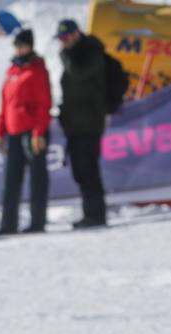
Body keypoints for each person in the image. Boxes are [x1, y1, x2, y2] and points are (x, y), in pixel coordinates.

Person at [0, 29, 51, 236]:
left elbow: (44, 105)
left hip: (32, 132)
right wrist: (0, 132)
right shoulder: (12, 71)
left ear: (31, 46)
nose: (19, 49)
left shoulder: (37, 70)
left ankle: (37, 222)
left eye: (22, 45)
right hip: (13, 132)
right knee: (11, 181)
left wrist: (39, 133)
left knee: (36, 179)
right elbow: (5, 104)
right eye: (17, 45)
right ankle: (8, 224)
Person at [57, 18, 109, 228]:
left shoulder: (91, 52)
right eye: (61, 38)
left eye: (66, 37)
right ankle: (91, 213)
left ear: (77, 33)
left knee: (89, 170)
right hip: (76, 124)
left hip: (89, 123)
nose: (63, 42)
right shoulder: (74, 55)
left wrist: (65, 55)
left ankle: (96, 215)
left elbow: (79, 73)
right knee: (81, 171)